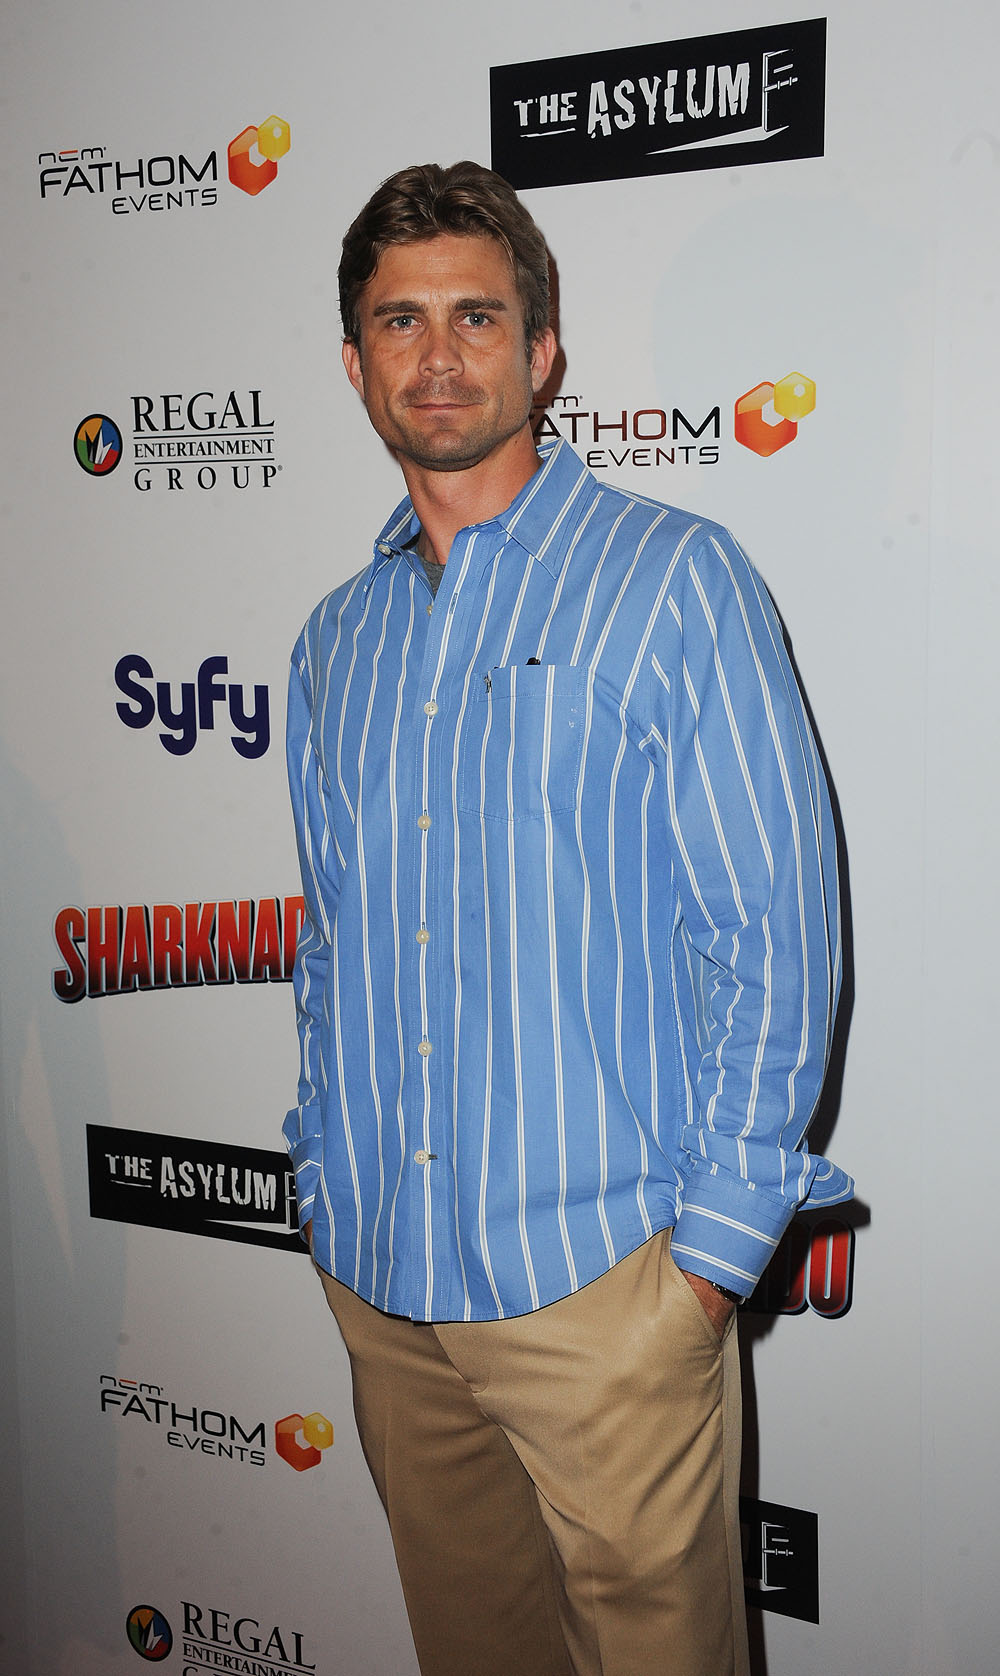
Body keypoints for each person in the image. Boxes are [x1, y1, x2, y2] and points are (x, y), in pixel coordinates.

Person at [283, 160, 852, 1676]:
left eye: (477, 316)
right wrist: (325, 1183)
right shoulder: (337, 642)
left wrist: (706, 1268)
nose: (437, 354)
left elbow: (774, 934)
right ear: (354, 363)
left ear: (542, 352)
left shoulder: (675, 583)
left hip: (605, 1294)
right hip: (387, 1290)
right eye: (399, 321)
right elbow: (331, 943)